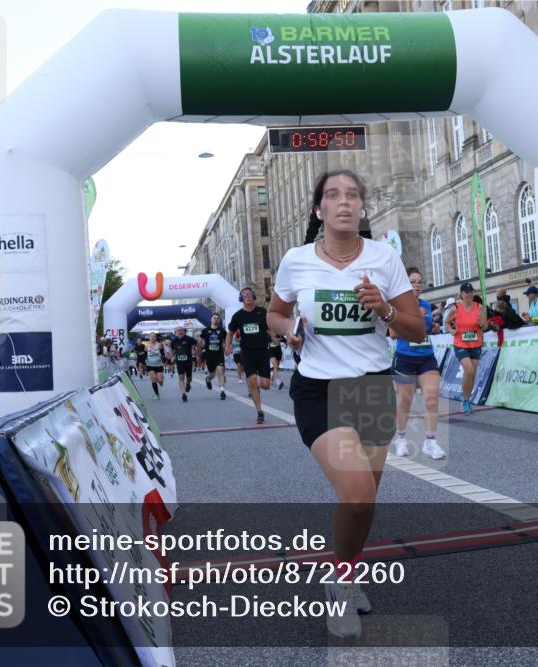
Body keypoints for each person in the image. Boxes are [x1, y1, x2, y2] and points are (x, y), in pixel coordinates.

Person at [266, 169, 423, 639]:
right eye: (333, 195)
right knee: (356, 492)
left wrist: (386, 308)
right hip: (318, 390)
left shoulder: (384, 258)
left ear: (362, 208)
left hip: (371, 389)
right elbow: (275, 312)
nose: (344, 202)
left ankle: (346, 570)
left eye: (353, 195)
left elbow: (416, 330)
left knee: (365, 500)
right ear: (319, 209)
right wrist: (288, 330)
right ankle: (339, 582)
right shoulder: (296, 260)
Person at [390, 267, 445, 460]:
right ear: (405, 284)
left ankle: (430, 442)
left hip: (426, 356)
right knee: (406, 401)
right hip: (405, 357)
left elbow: (428, 330)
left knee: (432, 398)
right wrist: (415, 318)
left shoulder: (427, 305)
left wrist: (432, 327)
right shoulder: (397, 306)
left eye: (419, 282)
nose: (417, 285)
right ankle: (401, 439)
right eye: (412, 282)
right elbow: (393, 334)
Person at [226, 287, 272, 424]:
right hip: (247, 352)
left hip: (263, 351)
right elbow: (230, 333)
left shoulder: (262, 312)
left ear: (254, 297)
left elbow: (270, 329)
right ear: (241, 299)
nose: (247, 296)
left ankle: (256, 385)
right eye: (244, 295)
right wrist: (227, 346)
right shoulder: (238, 316)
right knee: (252, 382)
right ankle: (259, 412)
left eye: (250, 294)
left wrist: (276, 337)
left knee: (265, 385)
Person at [445, 282, 487, 414]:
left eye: (471, 292)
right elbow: (446, 322)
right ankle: (465, 400)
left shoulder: (479, 307)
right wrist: (451, 331)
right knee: (468, 370)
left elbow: (485, 326)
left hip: (476, 344)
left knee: (472, 373)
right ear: (461, 294)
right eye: (467, 292)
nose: (469, 294)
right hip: (460, 344)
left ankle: (467, 400)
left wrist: (482, 324)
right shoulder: (455, 308)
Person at [197, 314, 228, 400]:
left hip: (219, 354)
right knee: (212, 374)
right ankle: (208, 379)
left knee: (220, 371)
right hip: (209, 355)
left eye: (218, 318)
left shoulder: (222, 331)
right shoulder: (205, 331)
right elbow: (199, 340)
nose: (216, 319)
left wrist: (227, 348)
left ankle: (222, 391)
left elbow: (226, 341)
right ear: (211, 319)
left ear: (219, 320)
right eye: (214, 318)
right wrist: (199, 352)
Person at [170, 326, 195, 402]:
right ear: (175, 332)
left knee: (189, 378)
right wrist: (172, 356)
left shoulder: (189, 339)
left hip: (188, 361)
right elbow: (172, 349)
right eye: (178, 330)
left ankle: (188, 384)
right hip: (179, 361)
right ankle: (183, 394)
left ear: (184, 331)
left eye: (182, 330)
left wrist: (196, 352)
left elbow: (196, 343)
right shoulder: (173, 341)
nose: (180, 332)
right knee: (181, 377)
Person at [143, 332, 165, 399]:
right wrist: (145, 361)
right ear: (149, 338)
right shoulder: (146, 346)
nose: (153, 337)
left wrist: (163, 360)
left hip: (159, 365)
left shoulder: (160, 345)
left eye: (154, 336)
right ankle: (157, 395)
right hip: (150, 365)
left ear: (156, 337)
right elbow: (144, 355)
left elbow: (163, 354)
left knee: (160, 380)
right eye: (151, 336)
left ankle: (161, 380)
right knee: (153, 379)